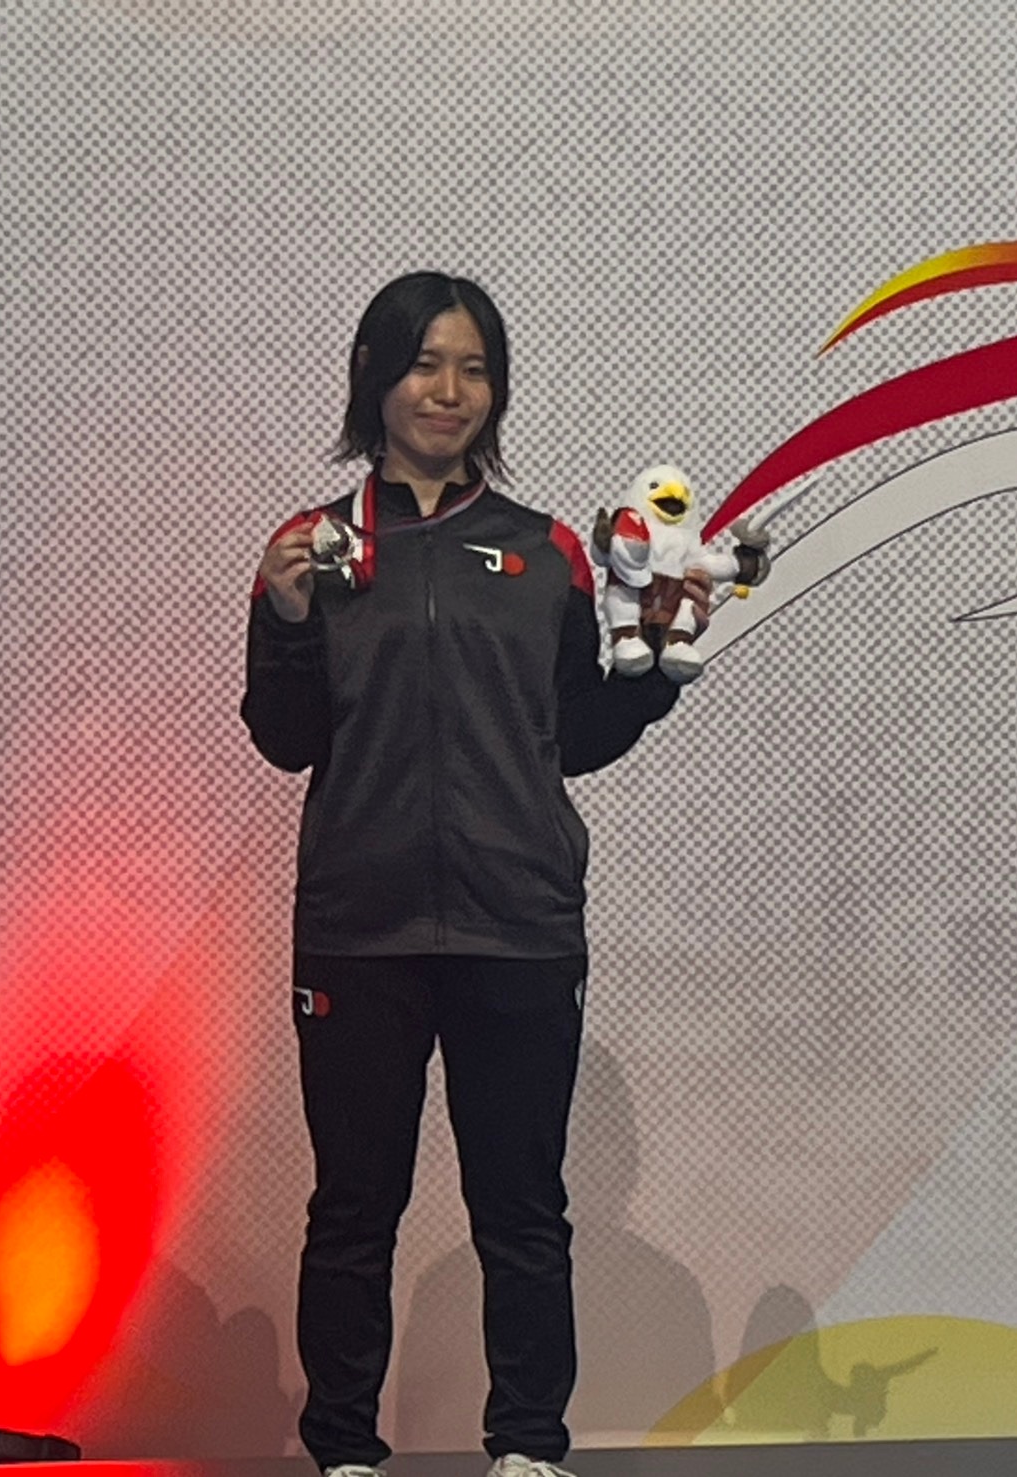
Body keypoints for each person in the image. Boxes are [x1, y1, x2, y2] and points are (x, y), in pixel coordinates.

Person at [241, 271, 710, 1477]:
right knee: (354, 1210)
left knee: (523, 1211)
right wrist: (285, 619)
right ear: (373, 375)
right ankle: (344, 1450)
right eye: (424, 363)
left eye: (473, 368)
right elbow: (285, 737)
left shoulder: (546, 551)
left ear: (495, 391)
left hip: (519, 926)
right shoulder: (311, 549)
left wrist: (657, 667)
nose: (448, 391)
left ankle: (528, 1449)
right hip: (360, 930)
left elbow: (575, 735)